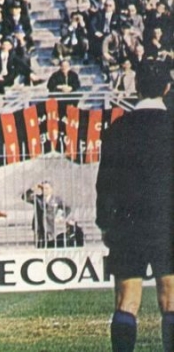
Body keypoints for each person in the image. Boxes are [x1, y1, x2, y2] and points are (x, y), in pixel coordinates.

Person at [96, 62, 173, 352]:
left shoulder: (118, 129)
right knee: (171, 300)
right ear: (167, 88)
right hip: (168, 223)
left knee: (126, 300)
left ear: (137, 86)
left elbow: (105, 183)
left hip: (128, 224)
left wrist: (105, 223)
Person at [22, 181, 71, 248]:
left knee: (51, 246)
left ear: (51, 189)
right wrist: (32, 189)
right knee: (40, 247)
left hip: (51, 226)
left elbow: (67, 208)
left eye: (47, 188)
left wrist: (61, 216)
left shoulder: (57, 199)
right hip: (39, 227)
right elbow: (24, 197)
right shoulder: (37, 198)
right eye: (43, 188)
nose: (45, 190)